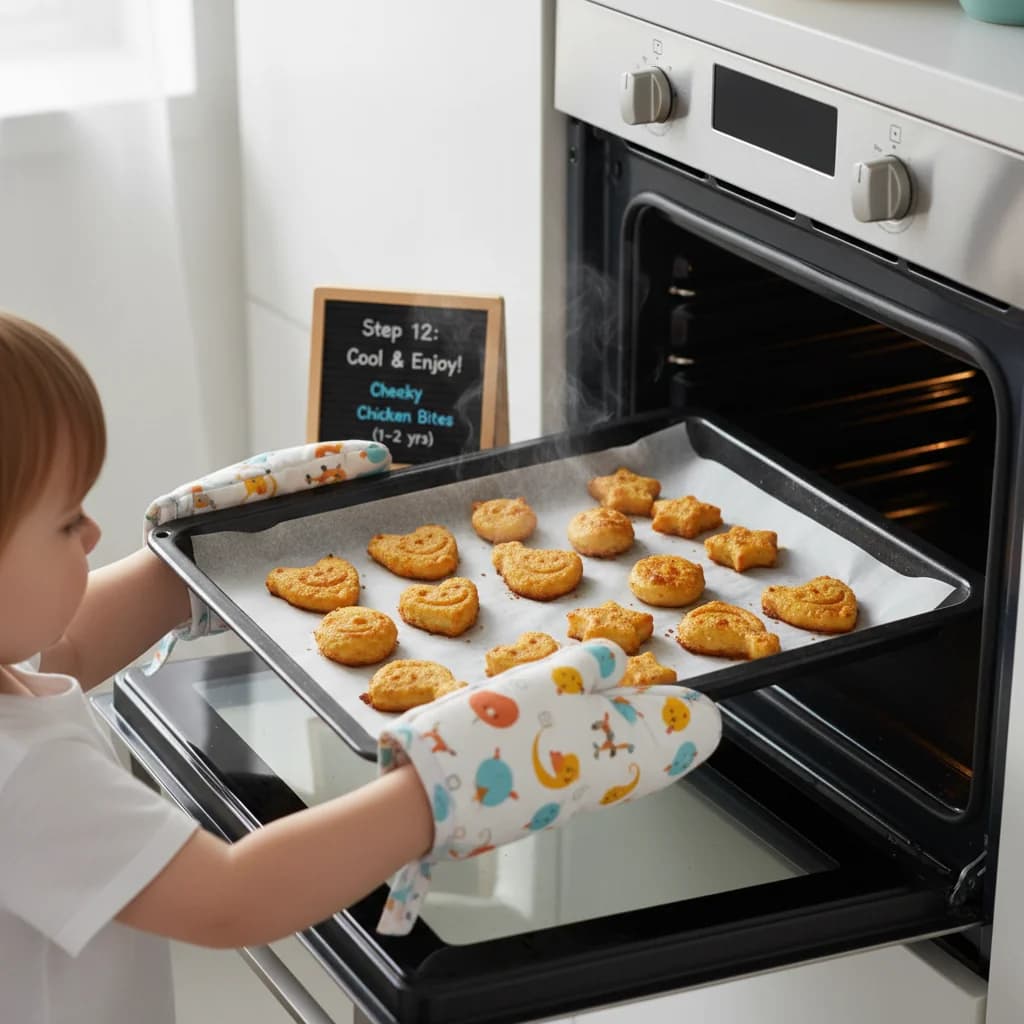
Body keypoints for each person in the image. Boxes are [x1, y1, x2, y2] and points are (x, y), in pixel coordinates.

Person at [0, 311, 720, 1021]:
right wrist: (450, 783)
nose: (94, 529)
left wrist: (200, 560)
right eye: (67, 520)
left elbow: (64, 651)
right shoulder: (25, 775)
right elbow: (230, 899)